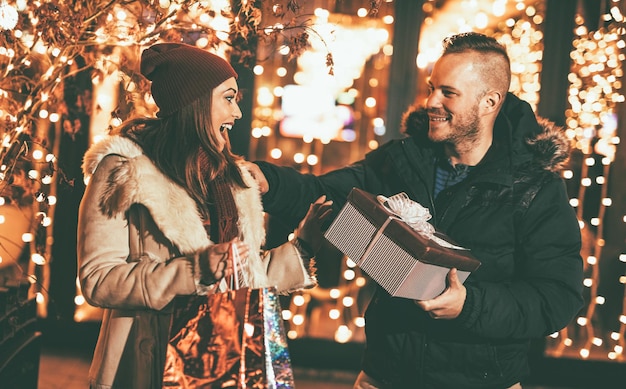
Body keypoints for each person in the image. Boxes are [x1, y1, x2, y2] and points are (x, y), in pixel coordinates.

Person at [247, 32, 584, 388]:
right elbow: (324, 193)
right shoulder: (402, 160)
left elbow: (556, 297)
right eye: (431, 88)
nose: (431, 101)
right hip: (384, 375)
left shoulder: (534, 187)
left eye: (448, 93)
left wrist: (468, 305)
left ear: (489, 102)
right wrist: (267, 181)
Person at [77, 42, 331, 389]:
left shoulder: (231, 178)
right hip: (144, 367)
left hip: (219, 364)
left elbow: (241, 276)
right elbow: (99, 279)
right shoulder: (124, 170)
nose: (238, 113)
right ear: (194, 103)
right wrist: (193, 272)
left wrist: (302, 247)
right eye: (228, 98)